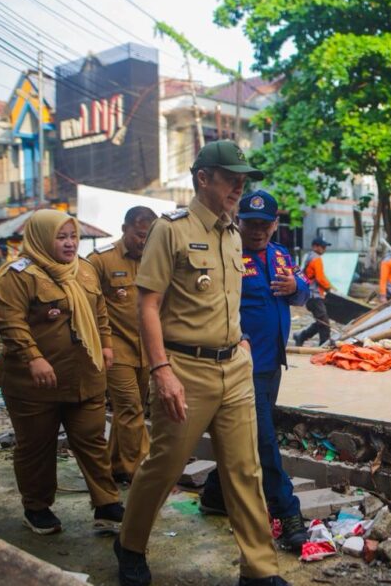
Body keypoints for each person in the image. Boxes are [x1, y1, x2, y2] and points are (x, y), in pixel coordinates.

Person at [115, 140, 286, 586]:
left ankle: (259, 569)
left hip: (234, 368)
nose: (239, 186)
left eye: (243, 179)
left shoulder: (233, 234)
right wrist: (161, 371)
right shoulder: (170, 230)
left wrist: (241, 341)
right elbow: (147, 305)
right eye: (231, 178)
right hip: (185, 370)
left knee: (245, 469)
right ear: (203, 178)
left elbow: (225, 301)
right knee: (165, 465)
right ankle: (130, 544)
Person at [0, 209, 124, 535]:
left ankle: (106, 503)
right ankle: (36, 507)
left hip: (84, 376)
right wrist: (33, 357)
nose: (69, 243)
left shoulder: (85, 269)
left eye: (72, 236)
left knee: (92, 440)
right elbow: (10, 323)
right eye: (61, 237)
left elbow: (100, 312)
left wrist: (106, 345)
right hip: (34, 384)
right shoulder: (17, 275)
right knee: (37, 446)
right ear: (40, 238)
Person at [199, 190, 310, 551]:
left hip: (273, 363)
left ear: (275, 224)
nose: (258, 231)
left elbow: (304, 292)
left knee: (249, 437)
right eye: (251, 224)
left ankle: (215, 494)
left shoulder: (280, 255)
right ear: (239, 221)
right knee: (264, 443)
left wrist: (296, 287)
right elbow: (216, 306)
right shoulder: (228, 254)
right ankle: (287, 512)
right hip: (243, 365)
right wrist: (240, 338)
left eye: (265, 224)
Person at [87, 206, 157, 484]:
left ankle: (116, 465)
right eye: (139, 235)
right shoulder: (100, 260)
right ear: (124, 229)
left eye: (149, 236)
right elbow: (86, 305)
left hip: (146, 349)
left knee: (130, 409)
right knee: (130, 408)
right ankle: (141, 472)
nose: (144, 241)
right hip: (115, 349)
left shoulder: (156, 259)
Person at [292, 237, 332, 347]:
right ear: (315, 247)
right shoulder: (316, 259)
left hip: (309, 294)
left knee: (321, 321)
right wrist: (329, 288)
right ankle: (324, 345)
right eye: (322, 247)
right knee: (324, 323)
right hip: (314, 295)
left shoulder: (308, 256)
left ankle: (301, 336)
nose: (324, 249)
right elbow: (320, 278)